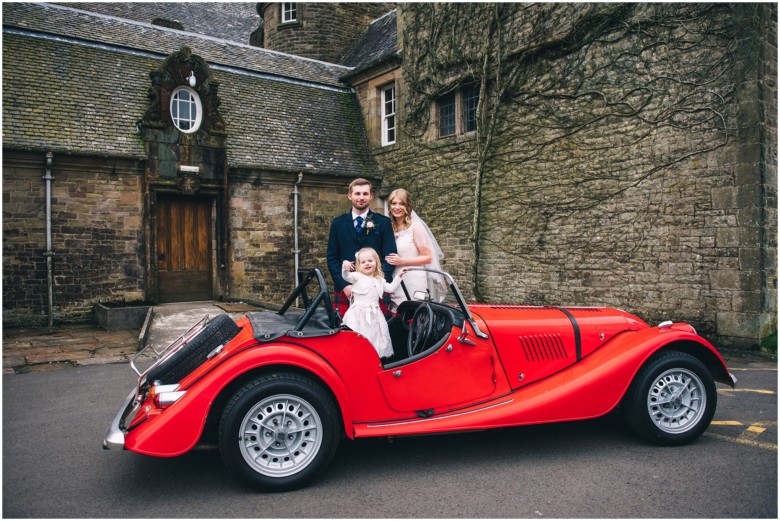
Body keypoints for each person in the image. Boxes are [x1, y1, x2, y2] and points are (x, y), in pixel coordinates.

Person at [327, 178, 397, 317]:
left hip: (375, 289)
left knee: (376, 332)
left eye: (365, 194)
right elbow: (332, 258)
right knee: (346, 333)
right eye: (357, 193)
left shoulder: (383, 223)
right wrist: (344, 285)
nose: (361, 197)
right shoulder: (338, 224)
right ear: (350, 196)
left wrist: (374, 282)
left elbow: (390, 258)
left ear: (371, 196)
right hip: (346, 287)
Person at [384, 188, 445, 308]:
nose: (397, 207)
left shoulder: (415, 227)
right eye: (394, 203)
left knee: (412, 313)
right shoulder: (389, 226)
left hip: (413, 279)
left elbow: (428, 257)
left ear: (408, 206)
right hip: (394, 278)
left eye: (401, 203)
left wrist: (402, 261)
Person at [341, 248, 406, 358]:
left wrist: (399, 276)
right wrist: (345, 266)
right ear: (359, 265)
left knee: (375, 336)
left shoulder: (379, 279)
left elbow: (390, 288)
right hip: (358, 314)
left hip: (375, 314)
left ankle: (374, 358)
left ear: (376, 262)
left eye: (370, 261)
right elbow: (346, 276)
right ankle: (358, 357)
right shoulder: (357, 276)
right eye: (363, 262)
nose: (367, 264)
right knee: (359, 335)